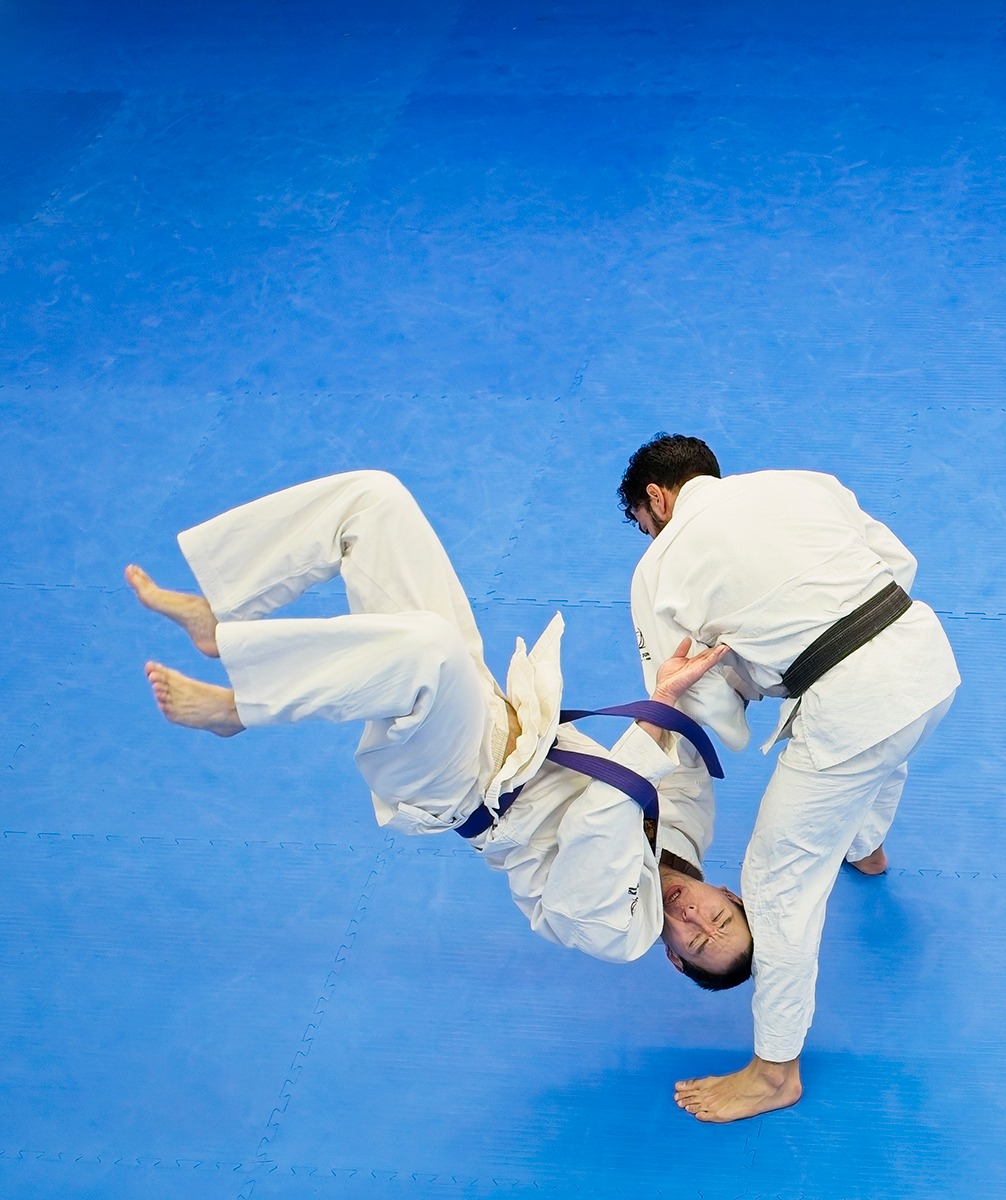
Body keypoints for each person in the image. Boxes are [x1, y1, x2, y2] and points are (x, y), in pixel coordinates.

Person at [127, 470, 751, 978]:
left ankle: (239, 707)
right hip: (497, 713)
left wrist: (661, 708)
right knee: (374, 504)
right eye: (718, 918)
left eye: (695, 943)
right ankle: (222, 612)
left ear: (674, 958)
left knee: (429, 649)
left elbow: (602, 818)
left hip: (460, 782)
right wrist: (730, 663)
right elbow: (685, 740)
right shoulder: (690, 835)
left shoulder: (614, 931)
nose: (694, 920)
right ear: (729, 895)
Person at [618, 434, 961, 1122]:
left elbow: (691, 695)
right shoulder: (803, 481)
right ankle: (865, 845)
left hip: (857, 708)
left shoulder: (658, 567)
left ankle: (775, 1073)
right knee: (877, 745)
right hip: (926, 658)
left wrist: (754, 682)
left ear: (656, 498)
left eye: (642, 524)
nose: (648, 537)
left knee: (776, 886)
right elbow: (895, 562)